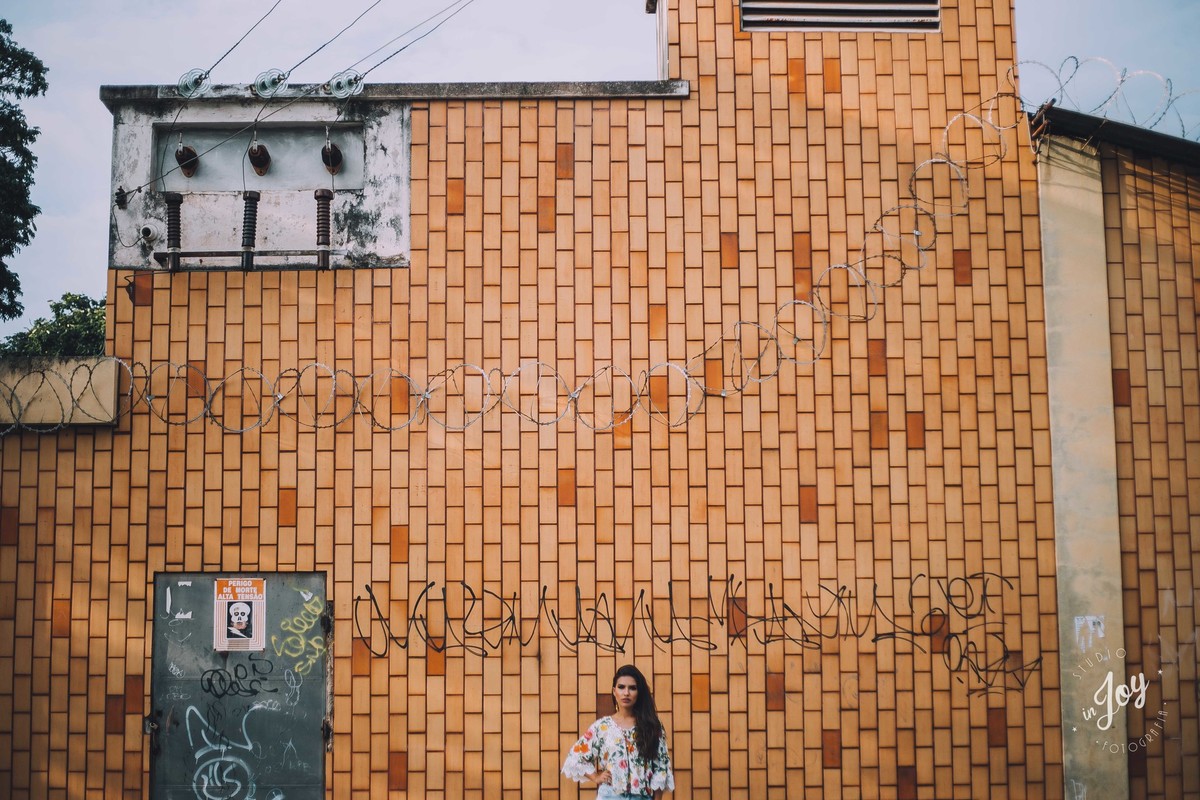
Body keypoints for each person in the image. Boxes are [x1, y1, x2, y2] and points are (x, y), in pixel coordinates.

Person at [562, 665, 674, 799]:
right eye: (621, 687)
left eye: (632, 688)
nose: (626, 693)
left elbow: (661, 767)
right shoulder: (603, 727)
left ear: (639, 692)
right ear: (614, 691)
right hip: (610, 795)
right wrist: (596, 777)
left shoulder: (651, 725)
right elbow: (576, 757)